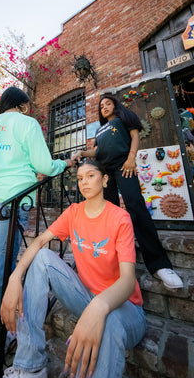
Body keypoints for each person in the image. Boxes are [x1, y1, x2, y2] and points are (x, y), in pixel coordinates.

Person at [0, 160, 146, 378]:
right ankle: (30, 368)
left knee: (110, 320)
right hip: (86, 298)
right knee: (42, 259)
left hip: (125, 308)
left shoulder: (120, 218)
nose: (83, 182)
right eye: (79, 178)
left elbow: (127, 281)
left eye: (90, 176)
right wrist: (15, 277)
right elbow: (40, 241)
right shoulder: (74, 212)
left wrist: (100, 306)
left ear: (105, 180)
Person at [0, 86, 75, 373]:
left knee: (2, 255)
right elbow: (43, 165)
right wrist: (64, 163)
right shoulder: (26, 123)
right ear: (24, 105)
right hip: (11, 197)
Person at [73, 94, 183, 289]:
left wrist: (131, 158)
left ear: (115, 105)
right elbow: (96, 152)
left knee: (135, 205)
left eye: (108, 103)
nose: (104, 107)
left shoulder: (123, 119)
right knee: (108, 212)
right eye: (101, 106)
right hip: (104, 172)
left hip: (124, 166)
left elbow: (135, 136)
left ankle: (159, 265)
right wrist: (82, 152)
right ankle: (110, 263)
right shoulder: (100, 130)